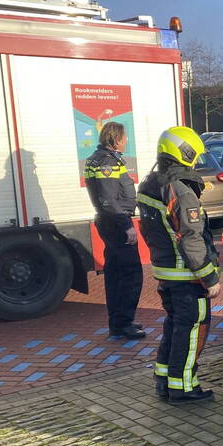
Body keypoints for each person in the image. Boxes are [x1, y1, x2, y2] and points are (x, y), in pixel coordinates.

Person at [136, 127, 220, 404]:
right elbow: (191, 238)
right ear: (184, 153)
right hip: (187, 275)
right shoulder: (181, 191)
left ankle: (164, 380)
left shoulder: (151, 183)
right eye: (194, 155)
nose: (195, 161)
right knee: (191, 329)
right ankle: (183, 388)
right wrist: (210, 278)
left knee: (174, 326)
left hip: (165, 271)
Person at [84, 122, 144, 339]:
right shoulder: (106, 162)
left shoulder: (99, 158)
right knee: (130, 274)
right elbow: (108, 200)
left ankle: (119, 322)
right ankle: (123, 322)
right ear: (116, 138)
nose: (126, 140)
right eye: (124, 137)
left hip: (111, 223)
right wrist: (127, 226)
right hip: (117, 224)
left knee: (116, 274)